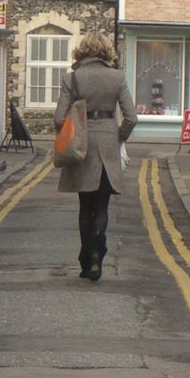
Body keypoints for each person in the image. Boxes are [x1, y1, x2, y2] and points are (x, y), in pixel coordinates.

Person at [54, 33, 137, 281]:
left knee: (84, 205)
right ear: (106, 52)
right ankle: (95, 256)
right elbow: (131, 118)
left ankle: (86, 256)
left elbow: (59, 119)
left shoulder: (72, 78)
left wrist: (71, 132)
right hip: (108, 143)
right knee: (101, 205)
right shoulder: (117, 77)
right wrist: (118, 136)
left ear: (82, 52)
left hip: (81, 145)